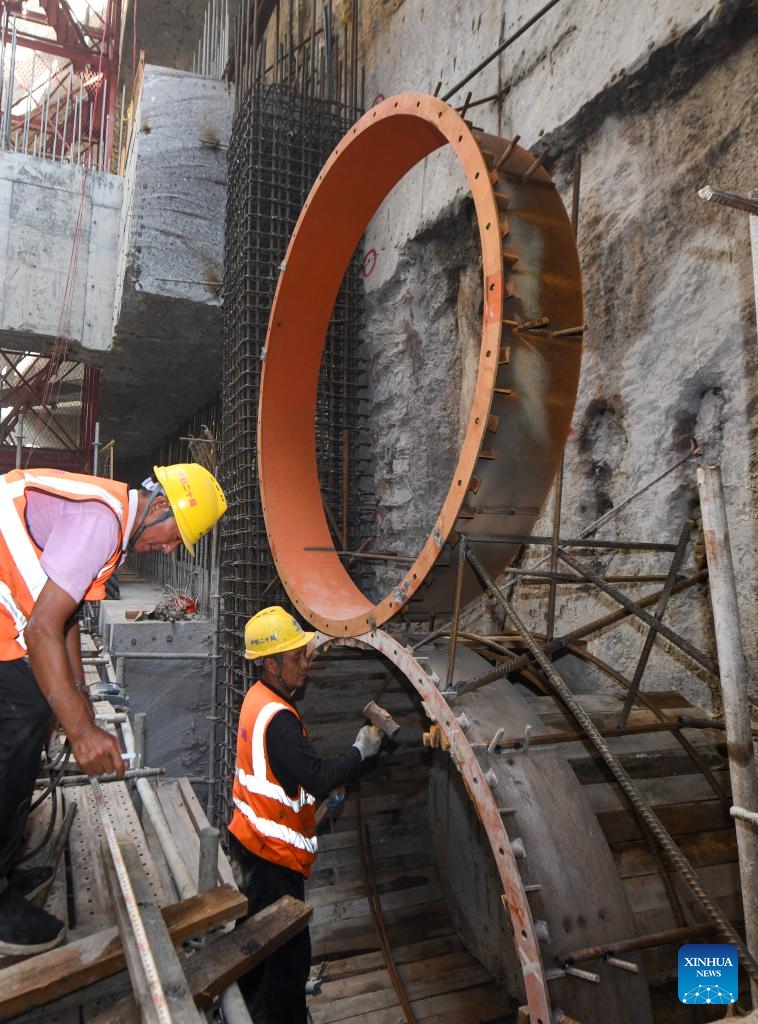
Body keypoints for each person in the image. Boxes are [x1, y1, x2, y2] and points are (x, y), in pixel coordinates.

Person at [0, 462, 227, 957]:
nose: (169, 548)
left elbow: (66, 621)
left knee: (40, 706)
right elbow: (40, 629)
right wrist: (80, 732)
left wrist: (81, 703)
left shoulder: (112, 525)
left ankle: (6, 864)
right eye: (174, 535)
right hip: (7, 615)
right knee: (21, 718)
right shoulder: (102, 523)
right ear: (161, 505)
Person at [228, 605, 382, 1023]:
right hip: (273, 860)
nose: (306, 663)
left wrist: (316, 805)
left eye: (305, 653)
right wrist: (359, 751)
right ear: (269, 663)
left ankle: (244, 1011)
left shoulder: (258, 700)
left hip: (251, 844)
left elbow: (283, 779)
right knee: (287, 965)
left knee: (258, 952)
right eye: (297, 657)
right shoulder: (279, 720)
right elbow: (315, 775)